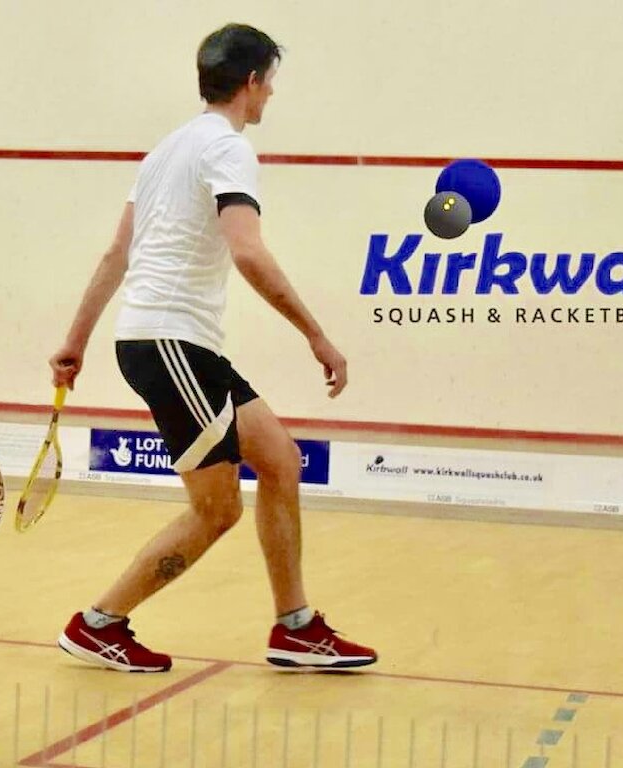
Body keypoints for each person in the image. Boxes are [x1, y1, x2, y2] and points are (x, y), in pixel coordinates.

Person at [49, 23, 377, 672]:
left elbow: (117, 254)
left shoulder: (165, 151)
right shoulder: (228, 149)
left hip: (167, 340)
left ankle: (295, 628)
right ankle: (98, 623)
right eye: (270, 82)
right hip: (171, 342)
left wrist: (76, 341)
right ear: (252, 82)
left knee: (280, 461)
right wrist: (316, 334)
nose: (271, 95)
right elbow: (247, 250)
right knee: (217, 509)